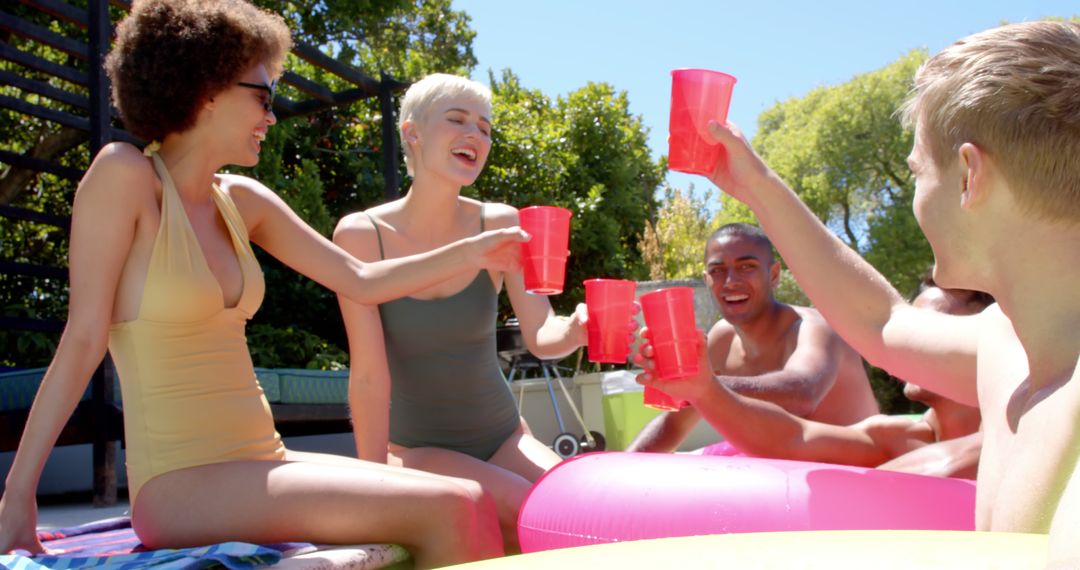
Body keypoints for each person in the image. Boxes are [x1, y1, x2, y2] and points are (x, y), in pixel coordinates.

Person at [0, 1, 532, 566]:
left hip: (263, 460)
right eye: (263, 96)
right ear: (204, 88)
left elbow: (361, 279)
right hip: (179, 484)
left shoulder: (244, 200)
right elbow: (82, 341)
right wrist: (18, 498)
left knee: (473, 501)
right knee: (451, 507)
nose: (272, 117)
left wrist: (475, 251)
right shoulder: (123, 176)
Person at [683, 20, 1080, 566]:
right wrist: (757, 187)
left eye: (917, 171)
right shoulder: (1008, 344)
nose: (916, 193)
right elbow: (879, 320)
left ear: (969, 176)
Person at [333, 73, 630, 553]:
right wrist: (375, 482)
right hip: (418, 451)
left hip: (504, 436)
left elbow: (540, 335)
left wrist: (576, 329)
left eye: (486, 128)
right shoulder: (362, 236)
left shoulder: (501, 222)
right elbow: (368, 375)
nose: (476, 135)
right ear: (412, 133)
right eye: (458, 120)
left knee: (584, 513)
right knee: (537, 516)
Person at [636, 282, 988, 478]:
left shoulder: (1019, 435)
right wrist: (703, 389)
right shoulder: (897, 437)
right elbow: (794, 438)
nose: (910, 341)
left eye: (933, 327)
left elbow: (956, 463)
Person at [626, 223, 879, 453]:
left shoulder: (814, 328)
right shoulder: (722, 338)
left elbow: (803, 393)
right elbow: (675, 422)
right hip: (781, 475)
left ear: (774, 274)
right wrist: (623, 470)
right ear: (707, 280)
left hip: (854, 476)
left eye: (747, 267)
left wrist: (704, 386)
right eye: (717, 270)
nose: (730, 281)